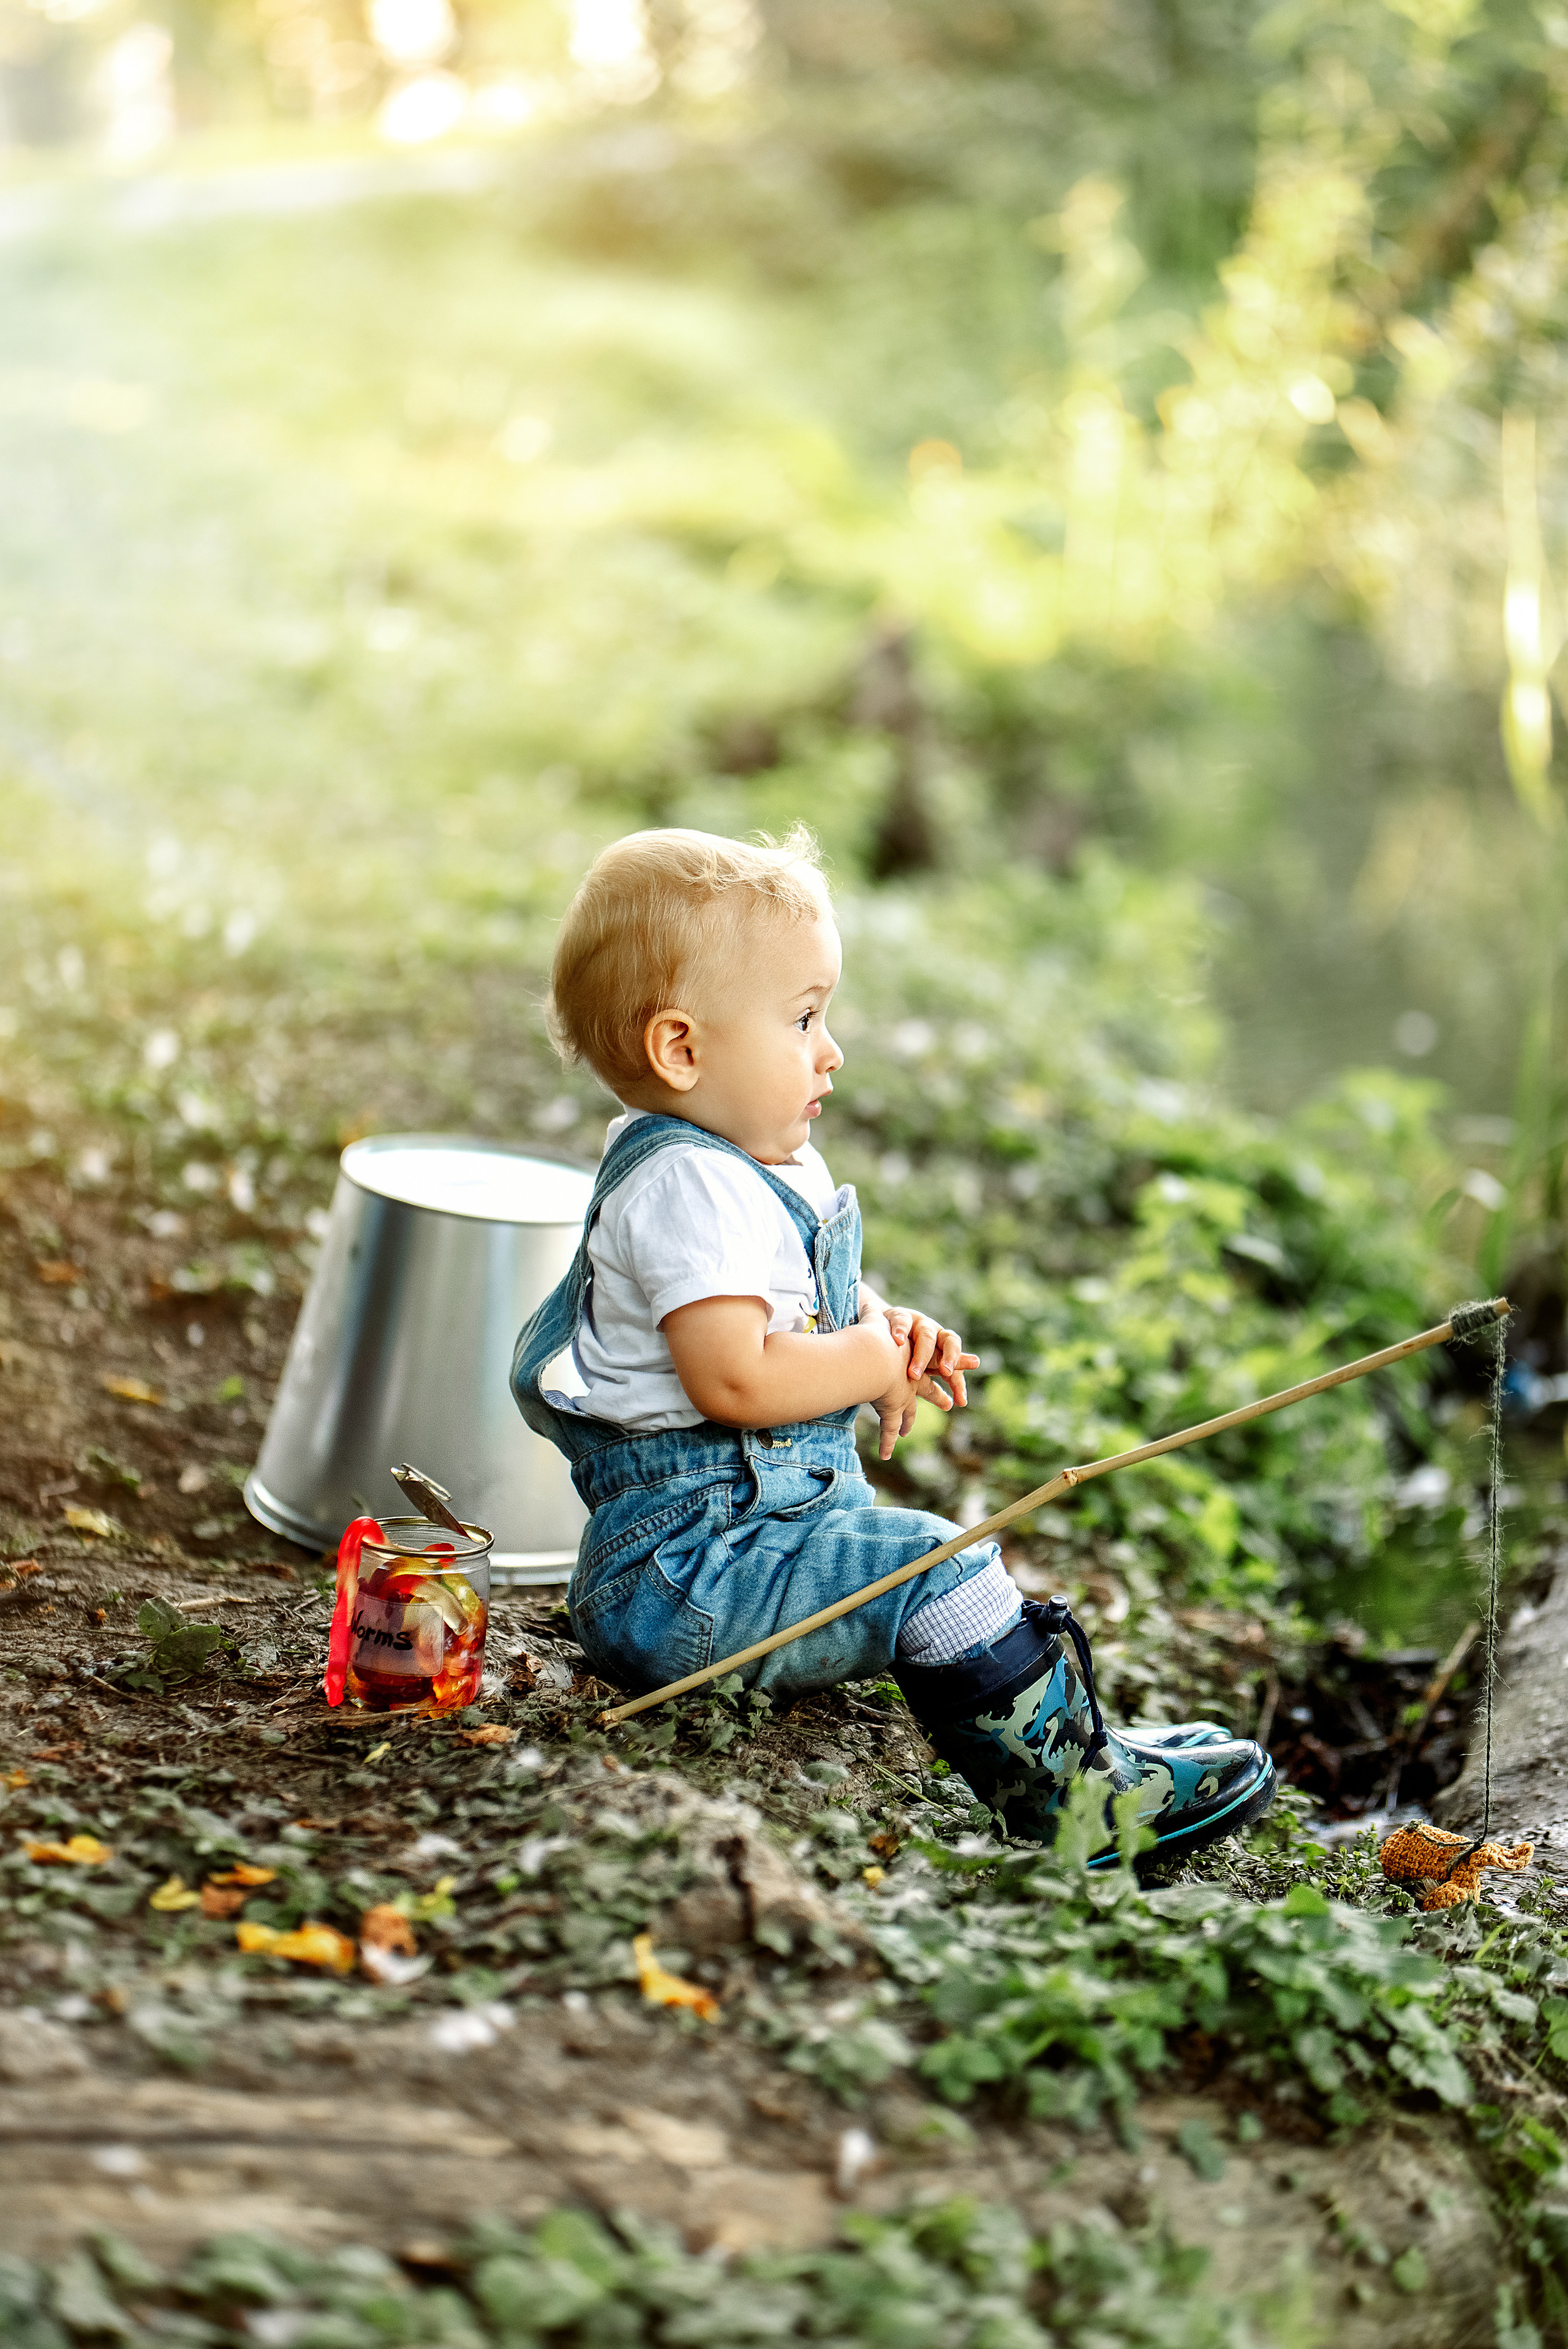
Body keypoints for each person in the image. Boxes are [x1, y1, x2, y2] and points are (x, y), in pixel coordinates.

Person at [513, 826, 1275, 1861]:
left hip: (745, 1543)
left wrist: (878, 1326)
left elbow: (790, 1304)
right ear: (681, 1049)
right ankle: (1076, 1802)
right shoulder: (686, 1185)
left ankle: (1084, 1750)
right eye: (803, 1018)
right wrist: (866, 1364)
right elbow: (733, 1376)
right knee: (932, 1563)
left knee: (923, 1559)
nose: (829, 1048)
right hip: (689, 1573)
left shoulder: (747, 1169)